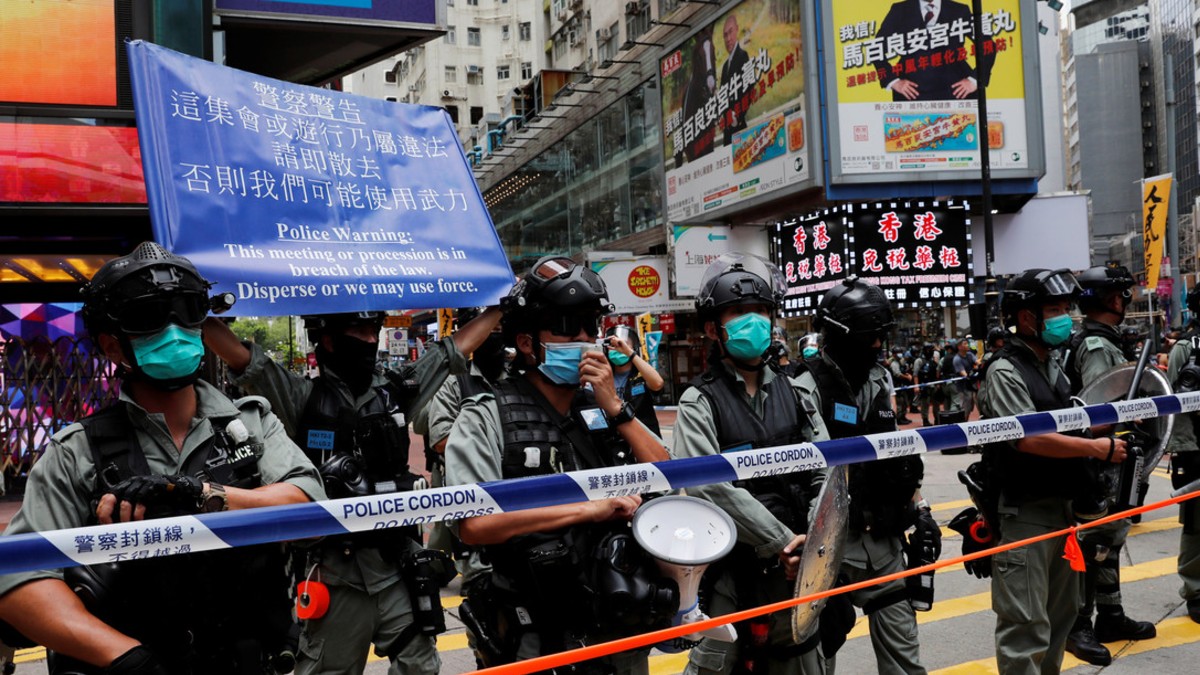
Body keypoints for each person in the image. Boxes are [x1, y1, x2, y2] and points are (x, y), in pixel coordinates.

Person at [0, 242, 325, 674]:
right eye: (149, 318)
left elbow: (309, 509)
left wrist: (202, 493)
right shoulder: (75, 452)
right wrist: (129, 658)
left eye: (186, 311)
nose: (174, 329)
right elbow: (19, 582)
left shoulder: (251, 421)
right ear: (112, 347)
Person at [204, 299, 502, 675]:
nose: (369, 339)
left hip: (396, 564)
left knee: (421, 666)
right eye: (358, 332)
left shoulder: (395, 391)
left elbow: (451, 350)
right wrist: (194, 312)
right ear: (327, 340)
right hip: (334, 572)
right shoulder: (301, 397)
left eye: (373, 330)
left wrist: (501, 307)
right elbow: (245, 360)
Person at [445, 256, 671, 673]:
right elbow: (473, 524)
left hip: (616, 614)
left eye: (591, 325)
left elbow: (670, 474)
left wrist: (616, 408)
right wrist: (589, 509)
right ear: (528, 342)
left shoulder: (605, 408)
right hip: (535, 626)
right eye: (568, 326)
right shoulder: (486, 415)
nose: (585, 338)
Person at [672, 253, 831, 675]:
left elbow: (828, 466)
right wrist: (781, 540)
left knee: (802, 664)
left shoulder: (796, 391)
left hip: (797, 570)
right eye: (740, 312)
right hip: (733, 574)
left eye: (761, 311)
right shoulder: (699, 402)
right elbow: (709, 485)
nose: (754, 321)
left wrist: (812, 538)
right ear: (713, 328)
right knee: (715, 666)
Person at [976, 268, 1128, 674]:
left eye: (1066, 308)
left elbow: (1070, 423)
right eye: (1055, 309)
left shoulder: (1052, 365)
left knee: (1060, 621)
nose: (1066, 317)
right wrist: (1096, 447)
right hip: (1024, 516)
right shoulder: (1005, 370)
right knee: (1025, 628)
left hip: (1063, 513)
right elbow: (1028, 437)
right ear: (1026, 318)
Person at [794, 277, 933, 675]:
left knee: (906, 658)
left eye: (880, 336)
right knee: (820, 657)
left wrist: (919, 507)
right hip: (832, 546)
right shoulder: (805, 387)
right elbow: (812, 471)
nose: (877, 346)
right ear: (840, 335)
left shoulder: (878, 378)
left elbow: (895, 451)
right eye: (869, 337)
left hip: (883, 541)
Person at [1058, 264, 1156, 665]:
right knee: (1095, 540)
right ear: (1113, 299)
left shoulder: (1101, 339)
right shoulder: (1098, 346)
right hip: (1104, 454)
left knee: (1111, 540)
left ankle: (1110, 615)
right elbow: (1105, 404)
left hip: (1111, 452)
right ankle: (1079, 623)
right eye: (1122, 294)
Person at [872, 0, 996, 102]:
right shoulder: (900, 10)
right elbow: (876, 48)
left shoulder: (959, 10)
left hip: (956, 94)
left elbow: (988, 46)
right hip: (911, 94)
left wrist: (974, 80)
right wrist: (893, 81)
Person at [1167, 285, 1200, 625]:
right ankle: (1195, 589)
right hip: (1194, 446)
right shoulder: (1185, 349)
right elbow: (1175, 402)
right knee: (1196, 524)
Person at [604, 325, 665, 435]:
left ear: (633, 348)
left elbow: (658, 384)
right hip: (614, 439)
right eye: (613, 345)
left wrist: (630, 354)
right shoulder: (603, 375)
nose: (618, 348)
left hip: (644, 438)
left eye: (623, 344)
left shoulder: (641, 375)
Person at [719, 12, 751, 145]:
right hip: (727, 134)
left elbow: (749, 89)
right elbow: (721, 98)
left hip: (740, 130)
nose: (728, 38)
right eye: (725, 35)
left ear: (737, 29)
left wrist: (737, 117)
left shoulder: (743, 56)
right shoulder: (725, 66)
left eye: (730, 32)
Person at [913, 344, 941, 426]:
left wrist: (938, 383)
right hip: (924, 386)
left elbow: (937, 372)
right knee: (925, 404)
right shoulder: (919, 361)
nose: (932, 352)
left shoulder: (933, 360)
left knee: (936, 403)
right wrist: (916, 386)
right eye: (930, 350)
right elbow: (915, 374)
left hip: (934, 385)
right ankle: (925, 420)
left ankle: (937, 419)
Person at [951, 338, 977, 418]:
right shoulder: (957, 359)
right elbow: (964, 374)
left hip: (971, 386)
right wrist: (974, 372)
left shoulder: (970, 354)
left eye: (967, 343)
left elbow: (977, 363)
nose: (967, 345)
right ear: (959, 347)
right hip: (962, 388)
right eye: (965, 344)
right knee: (965, 409)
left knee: (970, 408)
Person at [889, 347, 914, 425]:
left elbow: (903, 370)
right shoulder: (893, 363)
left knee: (905, 403)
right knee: (899, 403)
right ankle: (899, 419)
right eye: (897, 352)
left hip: (902, 385)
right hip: (897, 386)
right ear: (893, 354)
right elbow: (897, 374)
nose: (899, 354)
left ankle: (903, 417)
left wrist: (906, 373)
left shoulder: (899, 362)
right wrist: (907, 377)